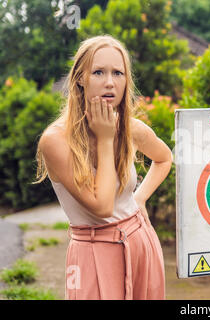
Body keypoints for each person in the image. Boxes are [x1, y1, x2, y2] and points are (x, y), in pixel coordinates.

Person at [35, 35, 173, 300]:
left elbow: (164, 157)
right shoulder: (55, 140)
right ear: (80, 79)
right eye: (98, 72)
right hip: (92, 250)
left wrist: (140, 198)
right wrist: (106, 139)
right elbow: (102, 207)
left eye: (118, 73)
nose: (110, 82)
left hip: (139, 241)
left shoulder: (130, 127)